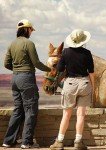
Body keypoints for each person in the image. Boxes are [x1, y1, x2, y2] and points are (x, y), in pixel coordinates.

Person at [2, 19, 51, 149]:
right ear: (27, 29)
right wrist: (50, 69)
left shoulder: (12, 44)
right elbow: (36, 63)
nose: (31, 32)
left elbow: (6, 64)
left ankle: (8, 141)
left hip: (15, 79)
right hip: (27, 79)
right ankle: (26, 142)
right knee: (31, 110)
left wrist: (17, 70)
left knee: (18, 110)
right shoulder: (29, 43)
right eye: (31, 30)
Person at [49, 29, 94, 150]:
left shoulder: (65, 52)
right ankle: (78, 142)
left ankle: (59, 141)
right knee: (81, 115)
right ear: (83, 41)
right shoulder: (87, 53)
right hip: (84, 83)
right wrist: (93, 87)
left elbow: (59, 69)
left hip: (69, 83)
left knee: (66, 115)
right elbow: (91, 73)